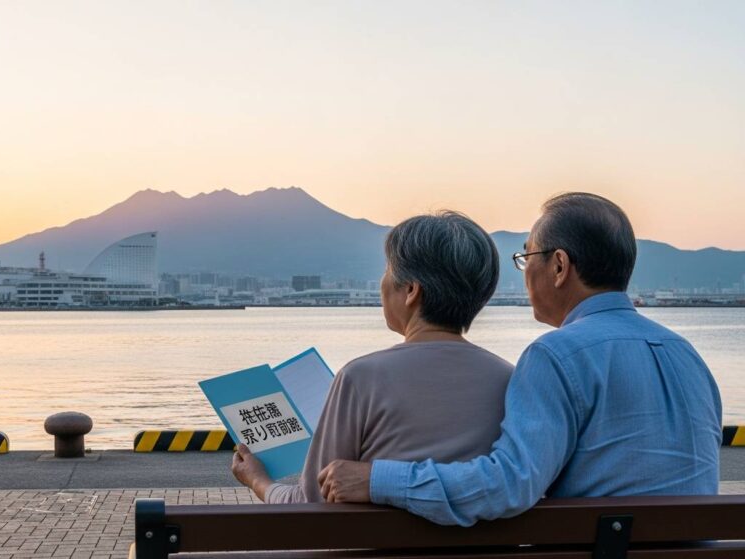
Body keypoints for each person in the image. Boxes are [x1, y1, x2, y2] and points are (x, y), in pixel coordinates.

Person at [317, 193, 723, 526]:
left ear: (559, 266)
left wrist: (377, 478)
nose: (525, 271)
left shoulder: (558, 355)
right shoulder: (686, 355)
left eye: (528, 256)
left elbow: (506, 486)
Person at [231, 211, 514, 503]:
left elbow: (311, 503)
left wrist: (258, 480)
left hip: (371, 549)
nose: (382, 283)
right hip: (480, 549)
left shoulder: (361, 377)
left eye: (388, 270)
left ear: (411, 291)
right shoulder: (509, 378)